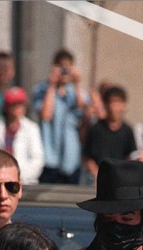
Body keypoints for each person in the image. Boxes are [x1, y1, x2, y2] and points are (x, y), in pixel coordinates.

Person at [32, 49, 88, 185]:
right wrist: (52, 84)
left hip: (71, 157)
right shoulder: (42, 89)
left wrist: (77, 83)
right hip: (49, 155)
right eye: (61, 67)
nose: (64, 71)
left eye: (68, 67)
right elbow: (45, 115)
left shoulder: (77, 91)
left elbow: (84, 111)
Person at [0, 87, 44, 185]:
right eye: (13, 104)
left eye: (20, 104)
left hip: (25, 183)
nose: (17, 108)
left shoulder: (31, 128)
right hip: (0, 181)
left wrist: (18, 176)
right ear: (6, 107)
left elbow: (37, 159)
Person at [82, 86, 137, 183]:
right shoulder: (96, 129)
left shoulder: (128, 131)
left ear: (124, 105)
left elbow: (130, 156)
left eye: (118, 103)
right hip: (96, 179)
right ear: (105, 105)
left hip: (120, 179)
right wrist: (96, 173)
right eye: (111, 102)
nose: (114, 107)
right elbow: (87, 157)